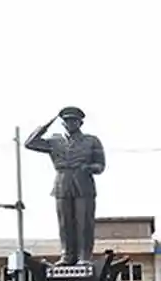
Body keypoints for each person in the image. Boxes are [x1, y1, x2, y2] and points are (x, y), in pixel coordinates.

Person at [25, 107, 107, 265]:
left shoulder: (92, 141)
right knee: (64, 222)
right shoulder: (54, 141)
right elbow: (30, 143)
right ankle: (67, 255)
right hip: (62, 182)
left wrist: (89, 168)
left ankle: (84, 256)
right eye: (67, 121)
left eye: (74, 121)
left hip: (83, 182)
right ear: (62, 123)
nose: (71, 124)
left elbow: (100, 165)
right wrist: (47, 124)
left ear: (80, 123)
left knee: (84, 222)